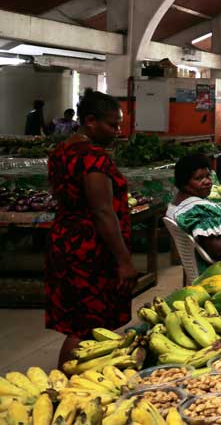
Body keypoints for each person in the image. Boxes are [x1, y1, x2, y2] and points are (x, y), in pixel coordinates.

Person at [46, 89, 134, 366]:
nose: (117, 132)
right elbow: (102, 211)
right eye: (112, 125)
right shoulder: (93, 158)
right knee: (89, 324)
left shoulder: (61, 151)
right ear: (90, 121)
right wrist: (124, 260)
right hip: (91, 249)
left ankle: (82, 376)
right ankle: (67, 379)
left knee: (78, 319)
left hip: (65, 240)